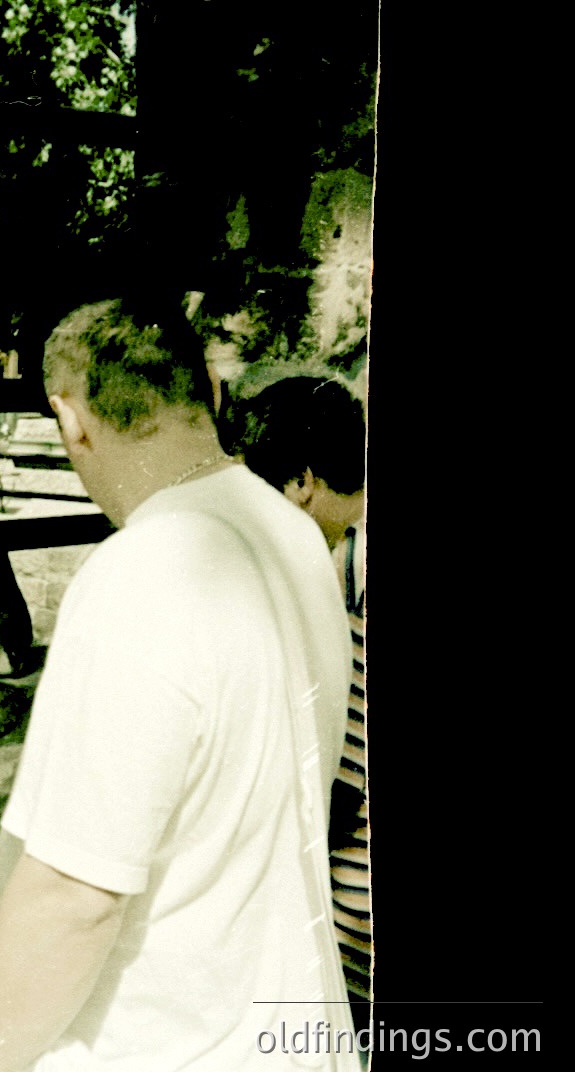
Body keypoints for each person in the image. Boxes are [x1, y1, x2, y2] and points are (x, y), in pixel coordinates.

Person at [0, 299, 360, 1072]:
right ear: (209, 387)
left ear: (70, 419)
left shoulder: (139, 574)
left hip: (159, 1056)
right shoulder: (295, 537)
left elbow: (75, 895)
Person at [230, 374, 370, 1038]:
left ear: (301, 482)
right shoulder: (336, 555)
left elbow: (338, 782)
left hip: (348, 930)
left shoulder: (342, 566)